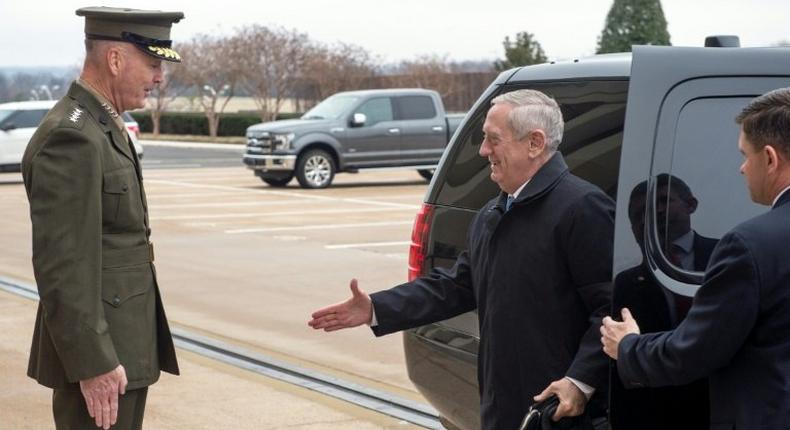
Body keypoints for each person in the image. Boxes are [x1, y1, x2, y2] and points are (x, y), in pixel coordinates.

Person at [309, 89, 614, 429]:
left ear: (534, 143)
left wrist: (579, 381)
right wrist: (376, 308)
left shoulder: (582, 208)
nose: (484, 151)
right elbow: (456, 286)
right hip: (502, 404)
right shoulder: (492, 213)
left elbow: (611, 308)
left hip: (558, 411)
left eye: (493, 140)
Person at [22, 7, 184, 430]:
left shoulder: (102, 124)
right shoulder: (72, 135)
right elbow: (63, 266)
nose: (158, 78)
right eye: (152, 64)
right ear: (115, 59)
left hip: (122, 345)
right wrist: (93, 363)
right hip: (102, 358)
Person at [601, 87, 790, 429]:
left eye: (745, 156)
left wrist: (627, 345)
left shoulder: (749, 246)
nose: (742, 169)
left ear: (771, 159)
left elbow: (695, 350)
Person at [610, 175, 717, 429]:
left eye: (664, 201)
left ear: (691, 204)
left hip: (721, 405)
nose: (652, 214)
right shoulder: (626, 283)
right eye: (638, 213)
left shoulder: (725, 256)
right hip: (657, 414)